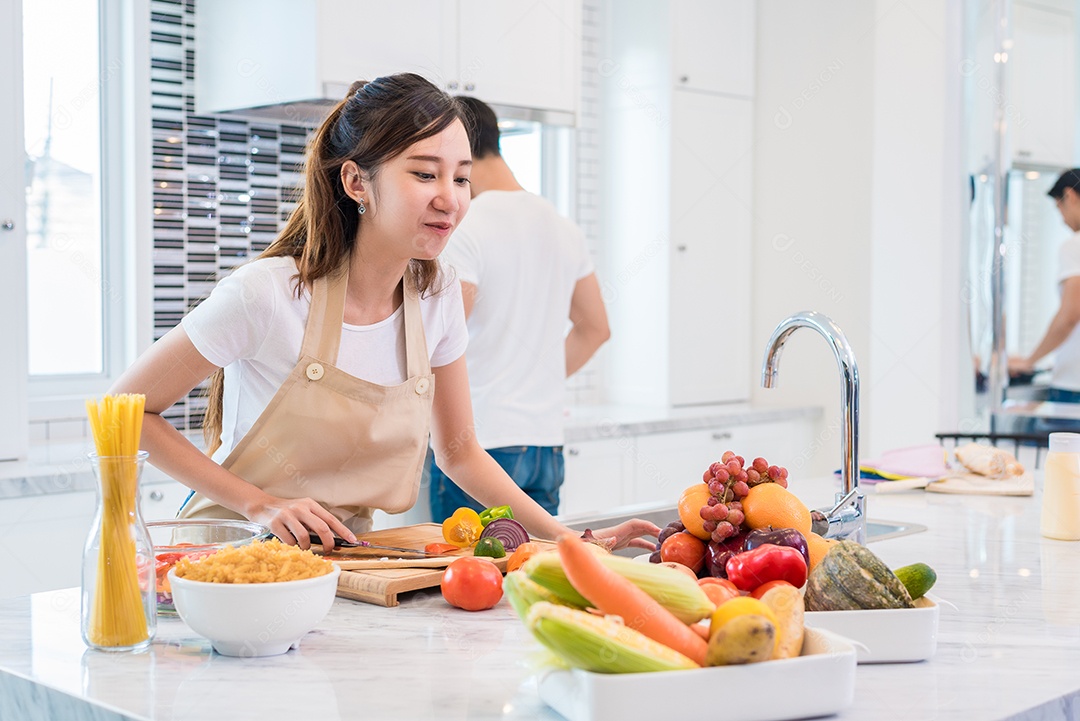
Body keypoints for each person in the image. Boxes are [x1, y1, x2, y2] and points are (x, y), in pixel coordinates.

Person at [110, 74, 655, 551]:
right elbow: (126, 411)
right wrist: (261, 505)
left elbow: (462, 454)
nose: (451, 198)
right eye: (424, 174)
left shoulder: (436, 296)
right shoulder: (268, 293)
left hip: (347, 562)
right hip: (227, 564)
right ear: (355, 183)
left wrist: (568, 539)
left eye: (461, 177)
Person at [426, 96, 610, 522]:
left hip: (480, 449)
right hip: (546, 445)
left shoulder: (464, 224)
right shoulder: (561, 225)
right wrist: (532, 377)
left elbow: (441, 337)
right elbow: (595, 328)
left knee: (465, 585)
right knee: (532, 579)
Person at [1009, 168, 1080, 404]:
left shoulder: (1073, 247)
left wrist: (1030, 362)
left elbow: (1070, 316)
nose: (1061, 218)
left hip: (1073, 385)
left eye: (1059, 208)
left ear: (1069, 196)